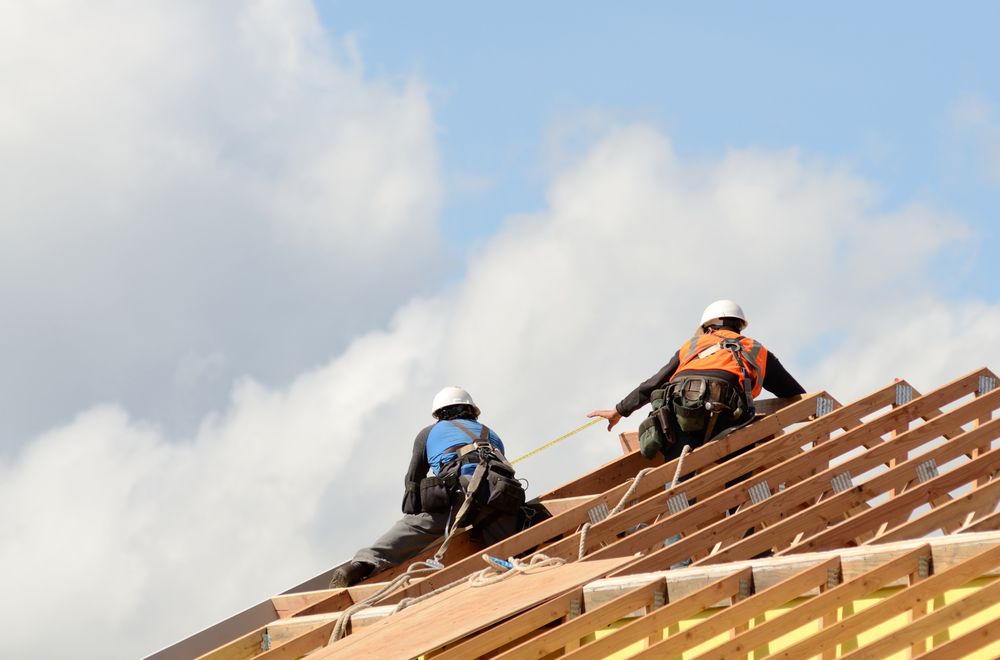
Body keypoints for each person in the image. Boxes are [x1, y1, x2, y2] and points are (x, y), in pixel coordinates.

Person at [328, 387, 526, 588]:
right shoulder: (491, 434)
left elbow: (412, 484)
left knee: (411, 527)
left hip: (459, 495)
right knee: (513, 553)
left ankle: (362, 565)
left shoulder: (428, 433)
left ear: (439, 413)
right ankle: (519, 568)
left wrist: (418, 513)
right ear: (472, 411)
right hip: (499, 498)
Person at [588, 300, 805, 461]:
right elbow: (793, 392)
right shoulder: (756, 349)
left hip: (681, 412)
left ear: (709, 328)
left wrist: (619, 410)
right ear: (739, 326)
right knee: (738, 471)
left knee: (680, 476)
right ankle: (738, 512)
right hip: (728, 415)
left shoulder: (692, 345)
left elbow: (654, 384)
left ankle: (678, 504)